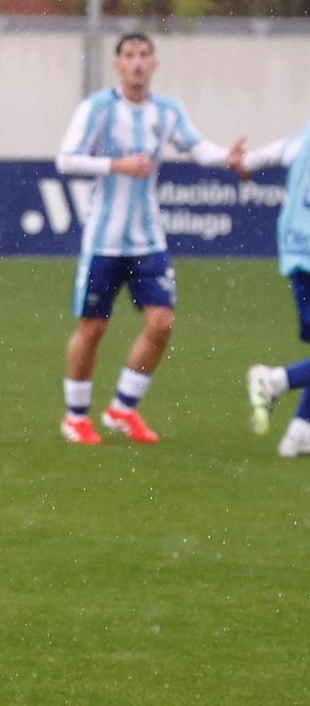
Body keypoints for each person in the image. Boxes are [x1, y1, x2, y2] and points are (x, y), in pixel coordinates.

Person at [56, 32, 243, 446]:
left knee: (161, 323)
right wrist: (117, 165)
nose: (137, 62)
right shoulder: (98, 108)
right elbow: (66, 159)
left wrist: (226, 157)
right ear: (118, 65)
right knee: (93, 327)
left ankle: (122, 408)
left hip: (149, 240)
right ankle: (76, 417)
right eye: (129, 55)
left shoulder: (167, 111)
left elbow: (196, 147)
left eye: (144, 55)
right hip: (104, 242)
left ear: (154, 64)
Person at [235, 128, 310, 456]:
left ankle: (300, 432)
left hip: (296, 253)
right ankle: (275, 380)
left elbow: (261, 158)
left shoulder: (303, 139)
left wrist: (243, 162)